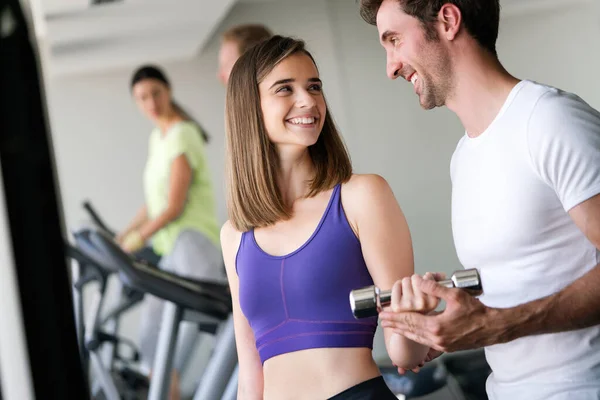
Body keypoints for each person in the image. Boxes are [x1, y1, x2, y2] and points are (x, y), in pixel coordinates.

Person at [359, 0, 600, 398]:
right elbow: (514, 291)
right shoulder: (464, 157)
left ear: (448, 21)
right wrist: (439, 325)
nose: (391, 67)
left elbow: (501, 320)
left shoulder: (549, 121)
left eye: (395, 40)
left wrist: (496, 323)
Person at [220, 34, 441, 400]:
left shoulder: (362, 197)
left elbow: (403, 352)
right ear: (250, 108)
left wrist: (420, 317)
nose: (308, 100)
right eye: (285, 89)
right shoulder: (235, 236)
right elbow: (250, 374)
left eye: (314, 86)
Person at [118, 65, 224, 400]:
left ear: (168, 90)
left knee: (175, 342)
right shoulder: (158, 137)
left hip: (193, 245)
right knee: (152, 335)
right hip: (172, 249)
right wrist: (122, 237)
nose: (150, 102)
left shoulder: (183, 134)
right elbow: (152, 203)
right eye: (142, 97)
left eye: (155, 93)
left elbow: (173, 206)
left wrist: (136, 241)